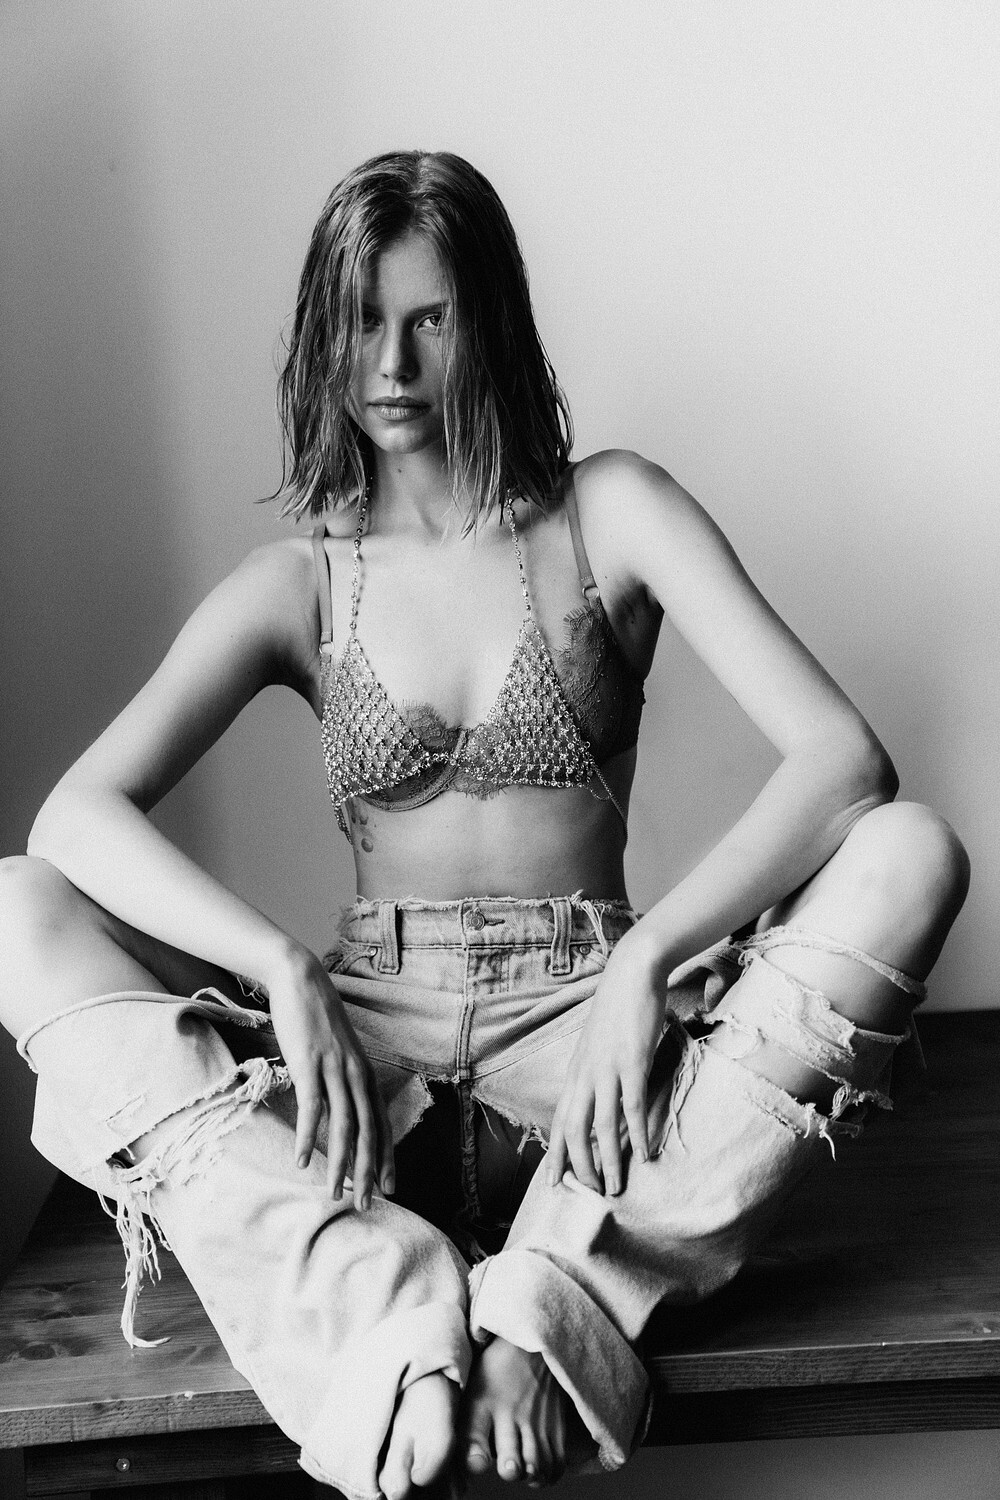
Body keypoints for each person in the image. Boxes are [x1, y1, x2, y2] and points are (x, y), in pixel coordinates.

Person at [0, 150, 969, 1500]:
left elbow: (843, 762)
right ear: (323, 337)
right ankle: (382, 1308)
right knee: (13, 905)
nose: (391, 364)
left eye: (430, 320)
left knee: (914, 853)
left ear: (490, 324)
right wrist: (283, 970)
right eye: (361, 322)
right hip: (369, 1074)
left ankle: (550, 1305)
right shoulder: (301, 581)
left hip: (592, 1069)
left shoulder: (608, 511)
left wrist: (646, 963)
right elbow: (73, 820)